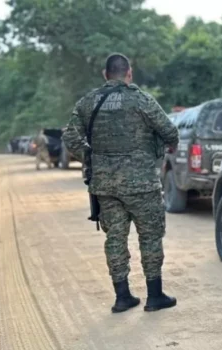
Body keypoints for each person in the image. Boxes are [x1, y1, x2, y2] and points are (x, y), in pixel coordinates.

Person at [63, 53, 179, 314]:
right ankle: (154, 295)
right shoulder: (141, 100)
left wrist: (91, 157)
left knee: (115, 239)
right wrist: (159, 149)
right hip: (142, 186)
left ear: (105, 75)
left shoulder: (89, 102)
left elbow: (70, 136)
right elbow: (170, 132)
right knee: (149, 237)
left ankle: (122, 297)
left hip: (105, 185)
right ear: (129, 74)